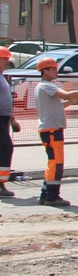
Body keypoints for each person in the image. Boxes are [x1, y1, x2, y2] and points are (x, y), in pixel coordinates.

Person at [34, 57, 78, 208]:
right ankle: (52, 196)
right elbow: (67, 95)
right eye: (53, 69)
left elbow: (62, 103)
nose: (56, 71)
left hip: (50, 129)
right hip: (51, 130)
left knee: (53, 162)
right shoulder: (46, 86)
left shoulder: (44, 87)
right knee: (56, 163)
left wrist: (76, 99)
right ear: (45, 71)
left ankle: (46, 194)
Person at [0, 47, 15, 198]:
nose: (7, 62)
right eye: (5, 59)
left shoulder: (2, 76)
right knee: (6, 147)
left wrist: (12, 120)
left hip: (3, 118)